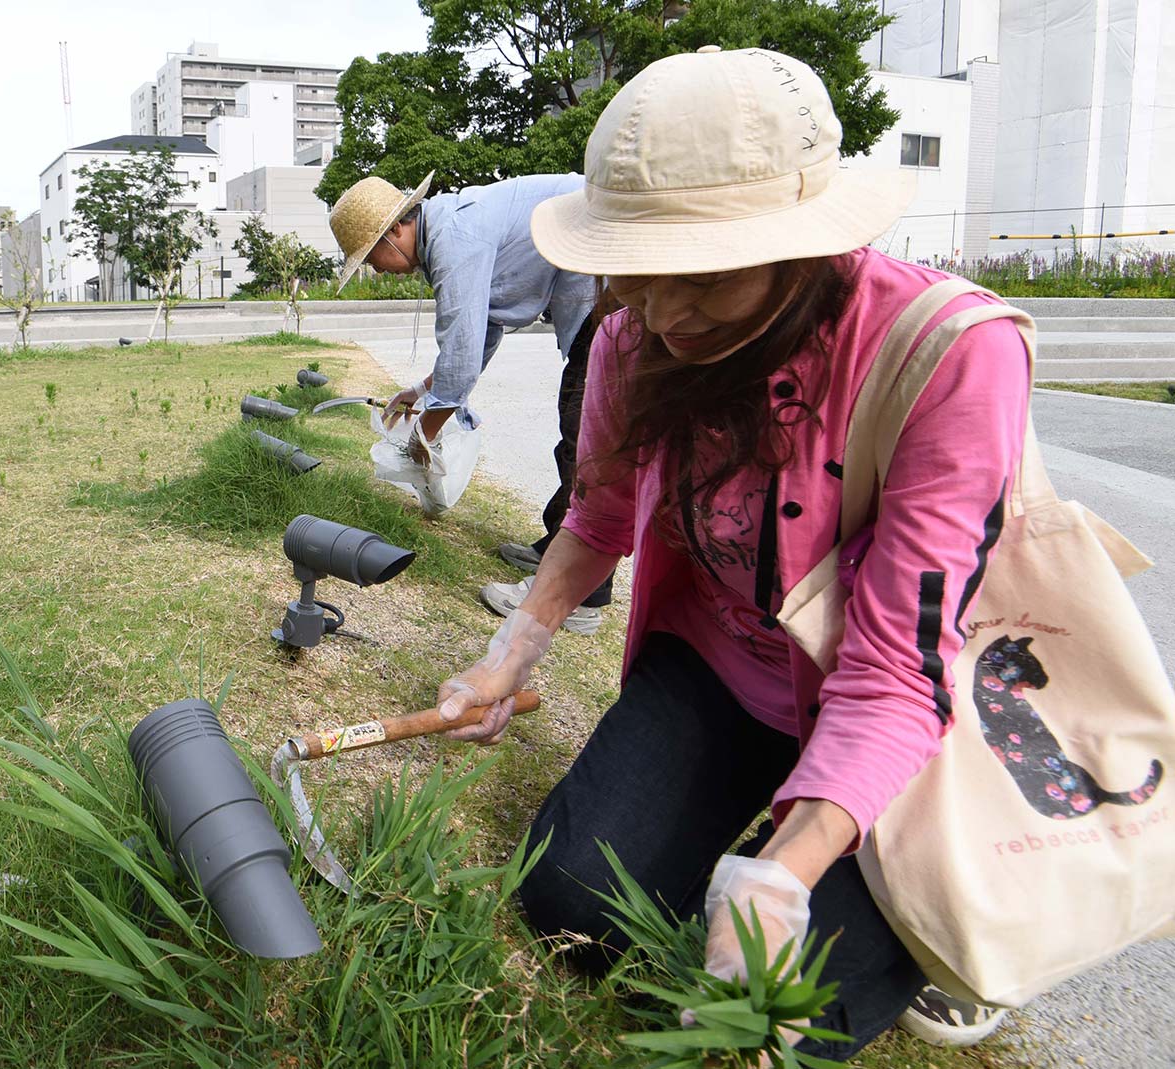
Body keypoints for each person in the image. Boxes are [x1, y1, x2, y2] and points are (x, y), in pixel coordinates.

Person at [432, 46, 1030, 1057]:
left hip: (896, 713)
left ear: (801, 247)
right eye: (637, 274)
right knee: (573, 904)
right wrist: (513, 650)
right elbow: (599, 510)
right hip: (724, 667)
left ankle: (941, 931)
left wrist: (785, 866)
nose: (662, 314)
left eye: (701, 278)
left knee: (777, 1018)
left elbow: (894, 673)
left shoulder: (948, 353)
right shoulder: (634, 339)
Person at [326, 170, 614, 634]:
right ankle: (556, 546)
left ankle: (580, 594)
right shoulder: (449, 228)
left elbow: (461, 346)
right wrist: (420, 394)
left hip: (608, 277)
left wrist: (425, 436)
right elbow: (480, 334)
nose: (375, 269)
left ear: (395, 230)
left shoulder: (454, 238)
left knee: (587, 440)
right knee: (579, 435)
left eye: (371, 257)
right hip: (593, 271)